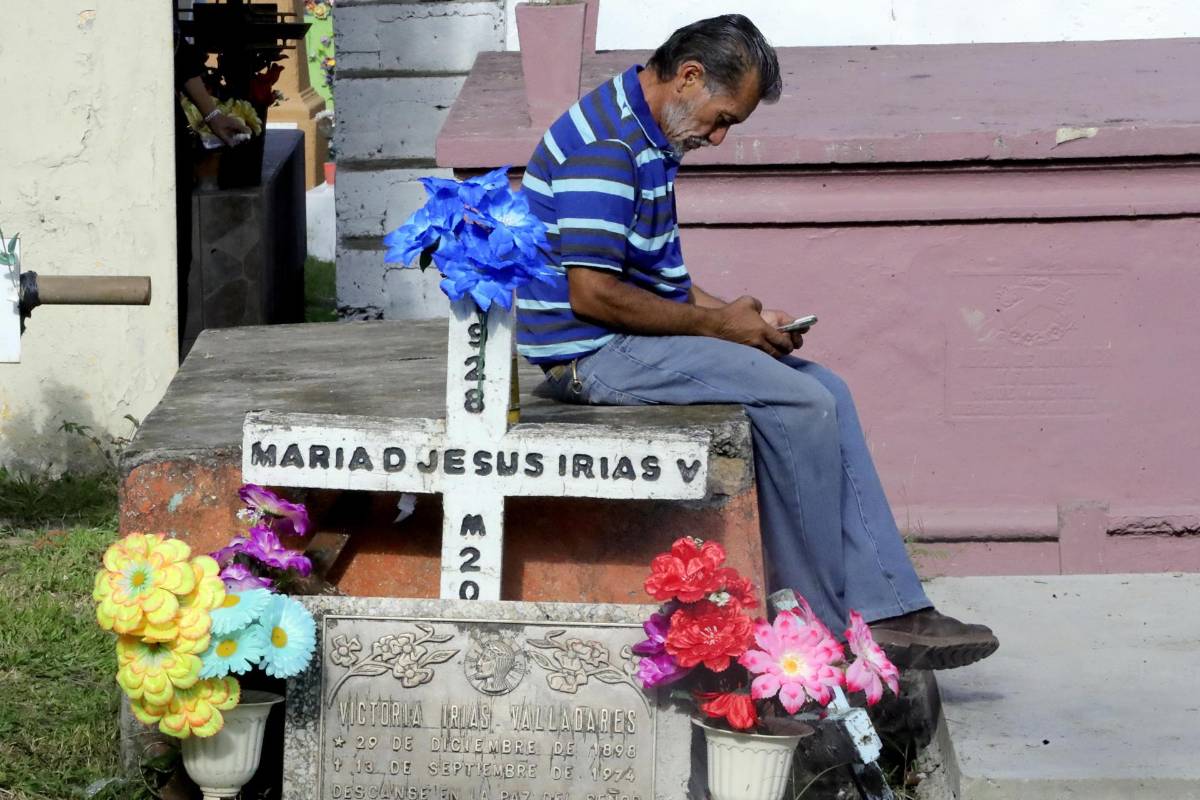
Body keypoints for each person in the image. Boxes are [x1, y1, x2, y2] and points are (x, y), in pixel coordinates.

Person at [517, 14, 997, 669]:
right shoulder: (607, 146)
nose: (718, 136)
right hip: (589, 358)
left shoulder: (646, 134)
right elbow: (592, 296)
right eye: (722, 119)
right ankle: (818, 629)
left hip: (622, 341)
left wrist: (748, 322)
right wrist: (720, 325)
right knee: (800, 404)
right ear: (688, 76)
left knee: (827, 386)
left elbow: (664, 287)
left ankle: (890, 606)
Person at [174, 24, 250, 359]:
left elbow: (178, 55)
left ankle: (169, 364)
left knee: (176, 264)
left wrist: (213, 114)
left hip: (165, 146)